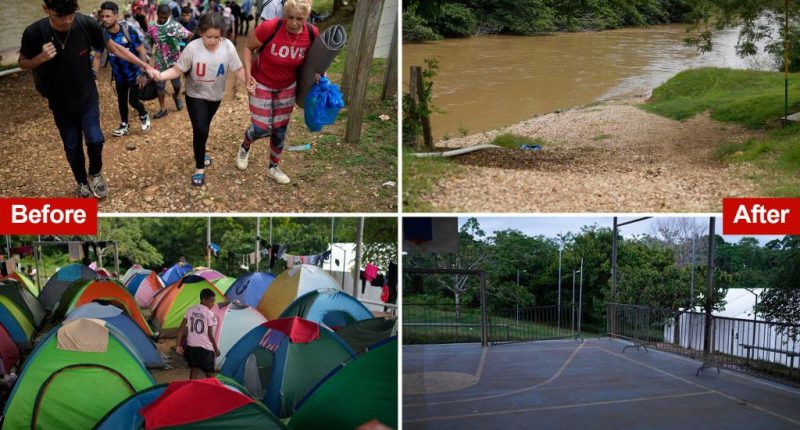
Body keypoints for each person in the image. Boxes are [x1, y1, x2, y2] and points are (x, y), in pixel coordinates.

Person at [19, 0, 157, 198]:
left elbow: (115, 48)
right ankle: (81, 182)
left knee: (96, 139)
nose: (67, 21)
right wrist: (40, 58)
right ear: (46, 9)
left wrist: (144, 66)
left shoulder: (86, 24)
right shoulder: (34, 32)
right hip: (59, 101)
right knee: (72, 146)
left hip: (87, 95)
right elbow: (23, 62)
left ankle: (95, 173)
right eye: (60, 16)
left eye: (71, 15)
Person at [153, 12, 245, 186]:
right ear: (201, 33)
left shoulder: (227, 46)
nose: (212, 40)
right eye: (208, 36)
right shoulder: (193, 48)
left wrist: (250, 83)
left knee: (204, 127)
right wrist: (160, 75)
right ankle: (199, 167)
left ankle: (200, 151)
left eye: (216, 37)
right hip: (195, 95)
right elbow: (177, 70)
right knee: (200, 129)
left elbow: (238, 68)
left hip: (216, 96)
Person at [239, 0, 318, 185]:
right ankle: (245, 145)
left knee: (280, 128)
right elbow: (248, 48)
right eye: (289, 17)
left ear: (307, 17)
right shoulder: (270, 27)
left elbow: (314, 60)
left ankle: (273, 167)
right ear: (284, 14)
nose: (293, 23)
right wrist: (248, 75)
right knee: (260, 127)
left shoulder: (312, 33)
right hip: (262, 81)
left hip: (287, 85)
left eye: (299, 18)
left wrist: (319, 75)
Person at [98, 1, 151, 137]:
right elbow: (98, 55)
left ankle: (144, 114)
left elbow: (142, 51)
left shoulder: (128, 30)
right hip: (118, 75)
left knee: (132, 100)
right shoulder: (102, 35)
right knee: (121, 101)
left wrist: (143, 74)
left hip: (134, 74)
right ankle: (124, 125)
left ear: (116, 16)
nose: (104, 19)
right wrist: (94, 75)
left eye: (108, 16)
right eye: (102, 16)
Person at [147, 4, 190, 119]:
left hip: (174, 61)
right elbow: (149, 40)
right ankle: (162, 109)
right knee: (159, 85)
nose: (162, 19)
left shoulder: (175, 26)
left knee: (176, 84)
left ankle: (176, 96)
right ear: (157, 14)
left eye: (165, 18)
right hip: (159, 61)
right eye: (160, 17)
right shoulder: (151, 26)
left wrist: (188, 50)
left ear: (169, 16)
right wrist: (149, 55)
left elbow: (189, 35)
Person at [175, 288, 220, 379]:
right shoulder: (209, 314)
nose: (213, 304)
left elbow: (181, 328)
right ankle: (215, 389)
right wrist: (216, 349)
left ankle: (191, 388)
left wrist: (178, 345)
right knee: (209, 373)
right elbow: (210, 335)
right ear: (204, 300)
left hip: (191, 347)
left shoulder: (190, 309)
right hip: (205, 349)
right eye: (211, 301)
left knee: (193, 370)